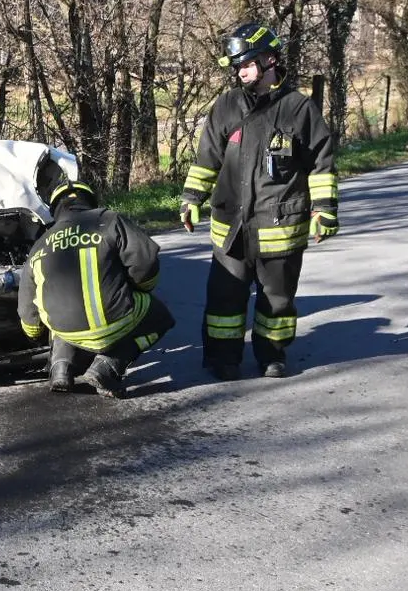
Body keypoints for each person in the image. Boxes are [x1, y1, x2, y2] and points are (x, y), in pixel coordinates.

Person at [178, 21, 338, 380]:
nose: (241, 72)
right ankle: (223, 358)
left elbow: (322, 165)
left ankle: (272, 354)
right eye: (237, 67)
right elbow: (207, 159)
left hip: (279, 225)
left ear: (269, 59)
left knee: (277, 300)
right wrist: (191, 199)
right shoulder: (226, 106)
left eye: (247, 64)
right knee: (224, 299)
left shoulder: (299, 109)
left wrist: (325, 210)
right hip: (230, 227)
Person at [18, 180, 175, 398]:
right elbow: (145, 262)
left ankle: (61, 368)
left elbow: (27, 304)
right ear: (90, 201)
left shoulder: (41, 242)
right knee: (160, 316)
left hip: (65, 329)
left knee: (55, 313)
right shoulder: (109, 220)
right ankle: (107, 366)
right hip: (116, 320)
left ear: (55, 209)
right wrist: (140, 288)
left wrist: (34, 332)